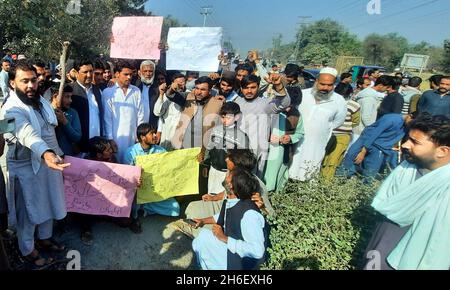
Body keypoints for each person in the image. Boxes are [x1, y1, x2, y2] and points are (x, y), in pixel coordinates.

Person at [0, 60, 70, 268]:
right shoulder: (10, 109)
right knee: (28, 212)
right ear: (12, 83)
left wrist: (55, 154)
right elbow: (25, 133)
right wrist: (46, 154)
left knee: (48, 202)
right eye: (24, 82)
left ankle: (45, 238)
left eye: (33, 81)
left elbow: (49, 131)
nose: (30, 86)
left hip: (50, 163)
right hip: (24, 167)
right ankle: (27, 250)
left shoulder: (41, 102)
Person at [362, 114, 450, 270]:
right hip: (381, 249)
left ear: (442, 151)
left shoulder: (446, 185)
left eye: (415, 142)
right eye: (407, 138)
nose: (405, 145)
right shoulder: (405, 169)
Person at [192, 167, 268, 270]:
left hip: (242, 263)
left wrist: (224, 238)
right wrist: (203, 221)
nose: (225, 175)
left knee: (202, 240)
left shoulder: (250, 215)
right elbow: (225, 216)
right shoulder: (232, 200)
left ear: (231, 185)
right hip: (233, 251)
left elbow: (257, 251)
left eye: (228, 175)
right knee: (202, 237)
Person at [289, 67, 347, 181]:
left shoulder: (339, 101)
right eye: (322, 84)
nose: (325, 88)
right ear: (316, 81)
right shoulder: (303, 95)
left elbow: (337, 122)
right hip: (295, 143)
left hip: (316, 146)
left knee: (309, 175)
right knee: (290, 171)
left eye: (329, 85)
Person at [124, 123, 180, 233]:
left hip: (155, 190)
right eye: (151, 134)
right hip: (137, 192)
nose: (155, 136)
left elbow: (169, 167)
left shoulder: (160, 151)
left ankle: (146, 209)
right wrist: (135, 180)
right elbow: (126, 175)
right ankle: (135, 216)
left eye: (155, 133)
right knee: (129, 208)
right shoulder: (130, 152)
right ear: (142, 137)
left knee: (175, 208)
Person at [235, 74, 290, 177]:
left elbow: (285, 102)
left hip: (257, 151)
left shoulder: (266, 104)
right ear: (241, 88)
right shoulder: (237, 102)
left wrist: (278, 86)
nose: (249, 91)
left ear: (258, 87)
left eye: (253, 87)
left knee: (252, 181)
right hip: (238, 149)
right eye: (246, 88)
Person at [338, 113, 414, 182]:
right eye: (411, 123)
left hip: (380, 148)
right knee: (350, 159)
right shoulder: (391, 119)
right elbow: (374, 133)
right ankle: (339, 181)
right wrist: (363, 151)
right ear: (409, 116)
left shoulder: (408, 126)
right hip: (367, 139)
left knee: (370, 173)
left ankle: (362, 192)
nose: (411, 125)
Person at [103, 60, 145, 163]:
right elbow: (107, 117)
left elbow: (141, 115)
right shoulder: (108, 92)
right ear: (117, 74)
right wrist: (110, 139)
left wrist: (140, 136)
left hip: (133, 138)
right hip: (115, 137)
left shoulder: (136, 91)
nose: (129, 77)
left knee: (132, 164)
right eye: (126, 74)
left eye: (130, 74)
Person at [205, 102, 249, 195]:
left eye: (228, 118)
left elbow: (242, 160)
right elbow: (209, 148)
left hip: (227, 173)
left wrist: (233, 174)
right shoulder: (215, 130)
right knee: (210, 193)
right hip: (213, 170)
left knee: (221, 197)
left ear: (236, 117)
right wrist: (205, 164)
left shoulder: (241, 136)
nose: (224, 120)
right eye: (222, 117)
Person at [321, 90, 361, 181]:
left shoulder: (329, 101)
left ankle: (320, 179)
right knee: (333, 160)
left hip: (327, 133)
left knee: (323, 157)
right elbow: (356, 121)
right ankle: (325, 182)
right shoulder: (354, 105)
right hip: (343, 135)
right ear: (350, 94)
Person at [264, 104, 304, 191]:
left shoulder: (296, 115)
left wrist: (290, 138)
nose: (288, 109)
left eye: (291, 106)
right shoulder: (270, 110)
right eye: (287, 105)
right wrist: (267, 136)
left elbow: (300, 132)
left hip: (283, 153)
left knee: (278, 181)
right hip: (265, 151)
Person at [70, 59, 105, 155]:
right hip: (79, 147)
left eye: (91, 71)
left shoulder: (97, 90)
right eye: (85, 72)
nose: (89, 75)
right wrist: (73, 144)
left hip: (98, 147)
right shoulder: (70, 92)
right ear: (76, 73)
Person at [153, 72, 186, 150]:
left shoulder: (189, 96)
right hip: (167, 134)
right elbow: (157, 112)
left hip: (181, 135)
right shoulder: (166, 95)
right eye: (178, 83)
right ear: (172, 83)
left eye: (182, 83)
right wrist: (161, 94)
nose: (180, 85)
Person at [50, 85, 82, 156]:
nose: (70, 100)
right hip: (50, 157)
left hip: (68, 157)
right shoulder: (46, 112)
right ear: (55, 97)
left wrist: (65, 122)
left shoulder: (73, 113)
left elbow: (77, 137)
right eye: (67, 97)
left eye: (71, 97)